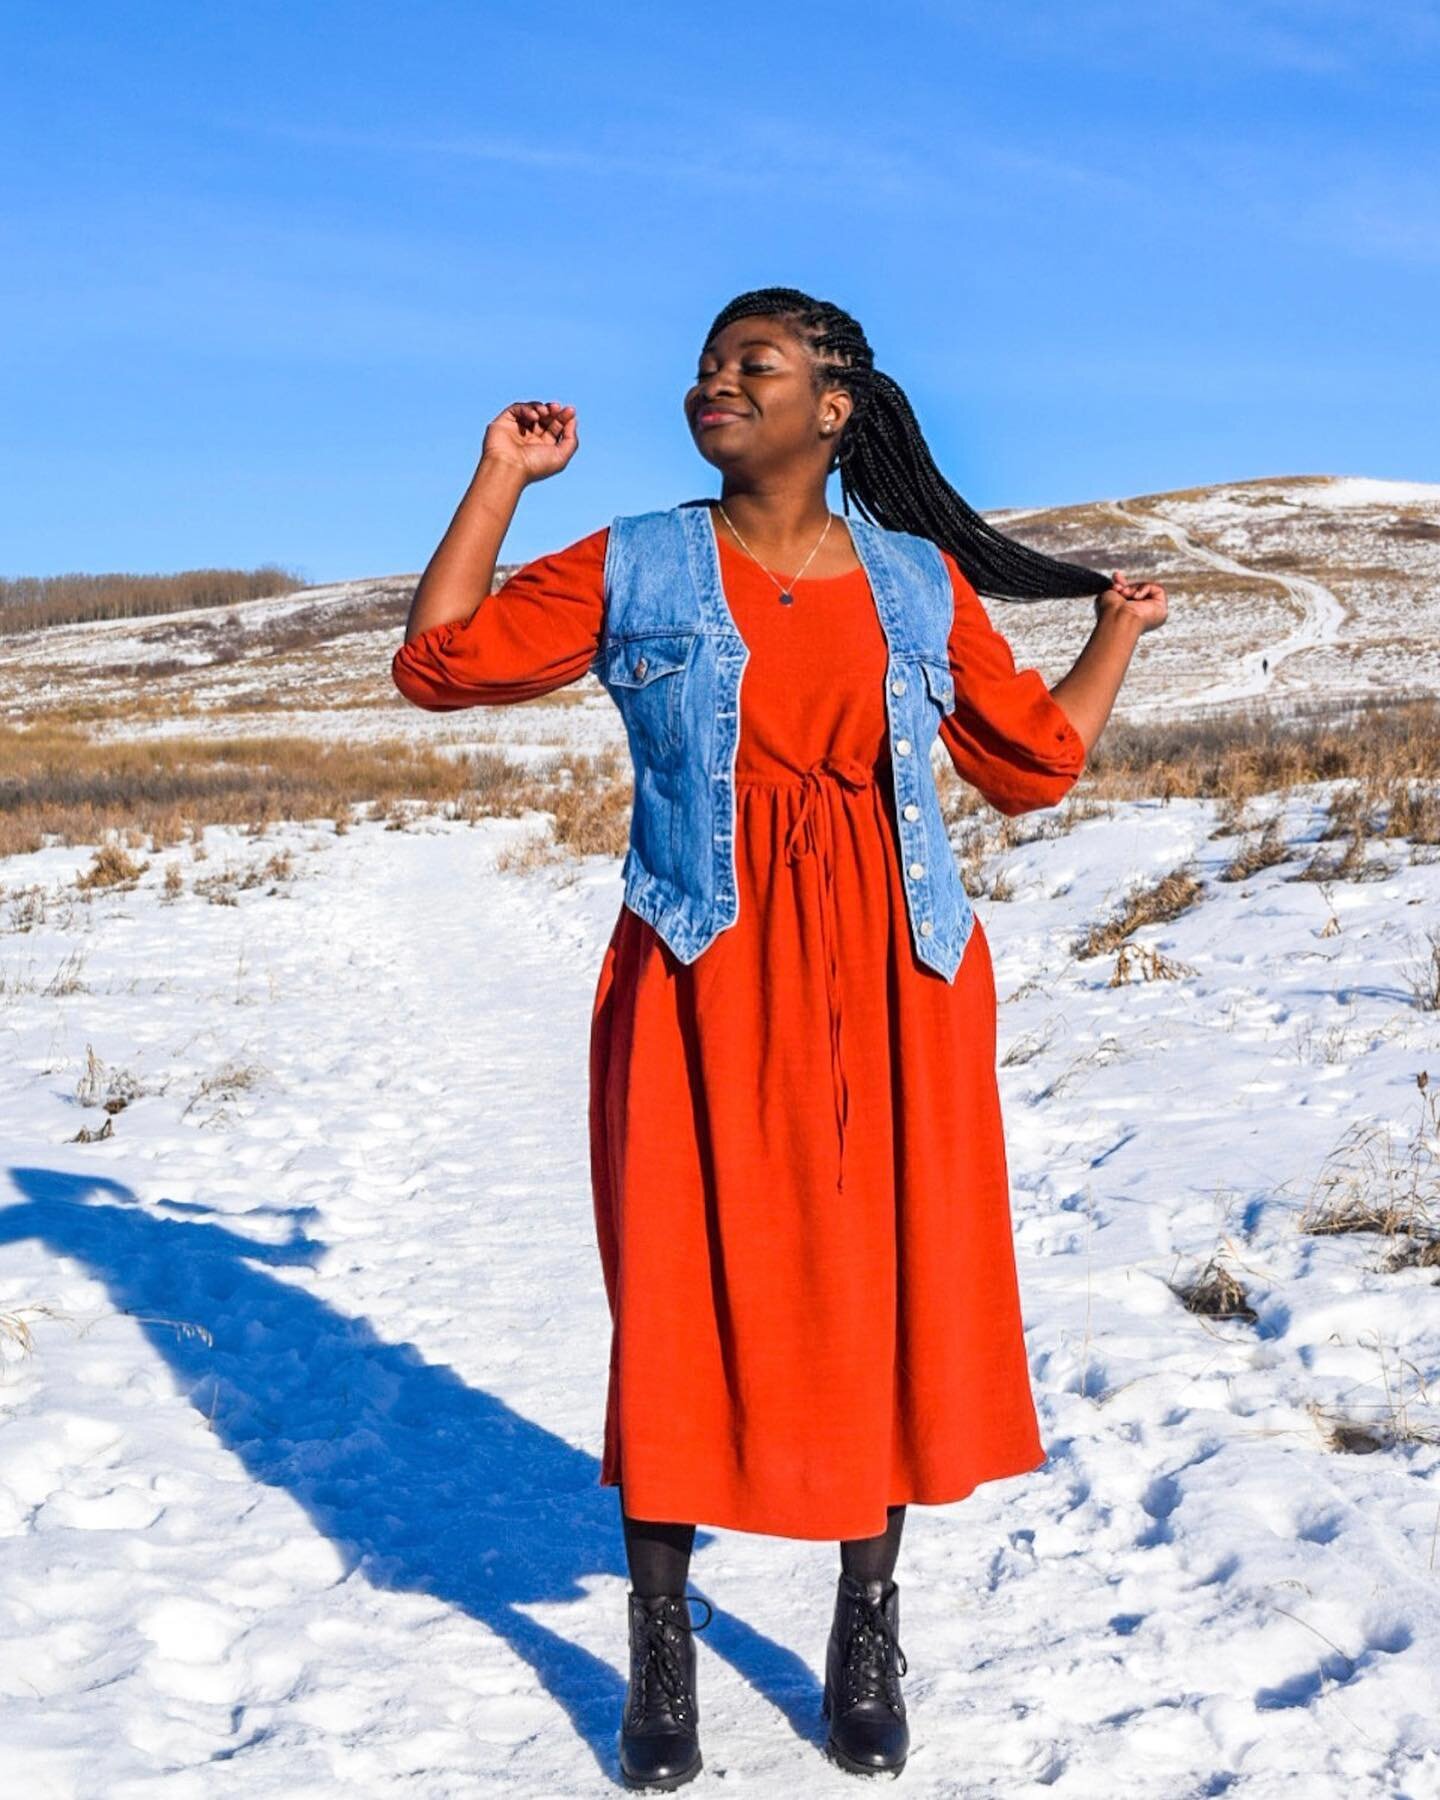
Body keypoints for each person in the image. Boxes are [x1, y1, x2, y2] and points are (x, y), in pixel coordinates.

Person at [391, 286, 1167, 1788]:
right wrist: (501, 472)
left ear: (834, 408)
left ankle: (864, 1622)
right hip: (702, 970)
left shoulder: (920, 583)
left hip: (898, 977)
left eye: (754, 365)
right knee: (683, 1293)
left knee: (879, 1291)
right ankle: (663, 1642)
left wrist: (1114, 634)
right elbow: (439, 662)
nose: (714, 384)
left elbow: (1035, 768)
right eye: (704, 367)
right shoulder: (640, 560)